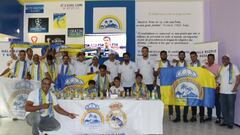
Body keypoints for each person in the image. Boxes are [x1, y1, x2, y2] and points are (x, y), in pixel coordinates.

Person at [217, 54, 240, 129]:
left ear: (229, 59)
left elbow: (238, 78)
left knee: (230, 108)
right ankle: (225, 121)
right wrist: (218, 86)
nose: (224, 60)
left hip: (231, 92)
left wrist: (235, 87)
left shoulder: (234, 67)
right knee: (223, 108)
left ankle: (230, 123)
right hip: (222, 91)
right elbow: (219, 79)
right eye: (223, 59)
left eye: (226, 59)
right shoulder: (220, 67)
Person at [154, 50, 173, 120]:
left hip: (168, 84)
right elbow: (154, 74)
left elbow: (173, 74)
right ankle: (159, 114)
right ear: (160, 56)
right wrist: (157, 71)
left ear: (166, 55)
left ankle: (170, 114)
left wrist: (172, 69)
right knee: (159, 100)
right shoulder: (157, 64)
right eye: (162, 55)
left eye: (165, 55)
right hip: (159, 84)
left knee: (169, 100)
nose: (163, 56)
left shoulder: (170, 63)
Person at [203, 54, 221, 123]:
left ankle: (218, 117)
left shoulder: (218, 67)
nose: (210, 60)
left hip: (215, 88)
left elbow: (220, 77)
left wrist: (218, 86)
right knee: (209, 102)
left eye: (211, 58)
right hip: (208, 88)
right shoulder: (205, 67)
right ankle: (209, 116)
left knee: (217, 103)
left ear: (214, 59)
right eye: (209, 58)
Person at [173, 51, 189, 122]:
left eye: (183, 55)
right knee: (177, 101)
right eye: (180, 55)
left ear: (184, 56)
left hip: (186, 84)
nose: (182, 56)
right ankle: (178, 117)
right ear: (178, 56)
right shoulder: (175, 64)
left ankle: (185, 117)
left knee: (186, 102)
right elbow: (172, 72)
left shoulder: (188, 64)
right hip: (178, 85)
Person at [189, 51, 204, 123]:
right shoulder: (190, 65)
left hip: (200, 85)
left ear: (197, 56)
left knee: (201, 102)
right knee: (193, 101)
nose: (192, 58)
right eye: (191, 57)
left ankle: (201, 116)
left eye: (194, 56)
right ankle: (194, 116)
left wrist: (204, 69)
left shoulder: (202, 64)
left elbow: (205, 73)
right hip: (193, 86)